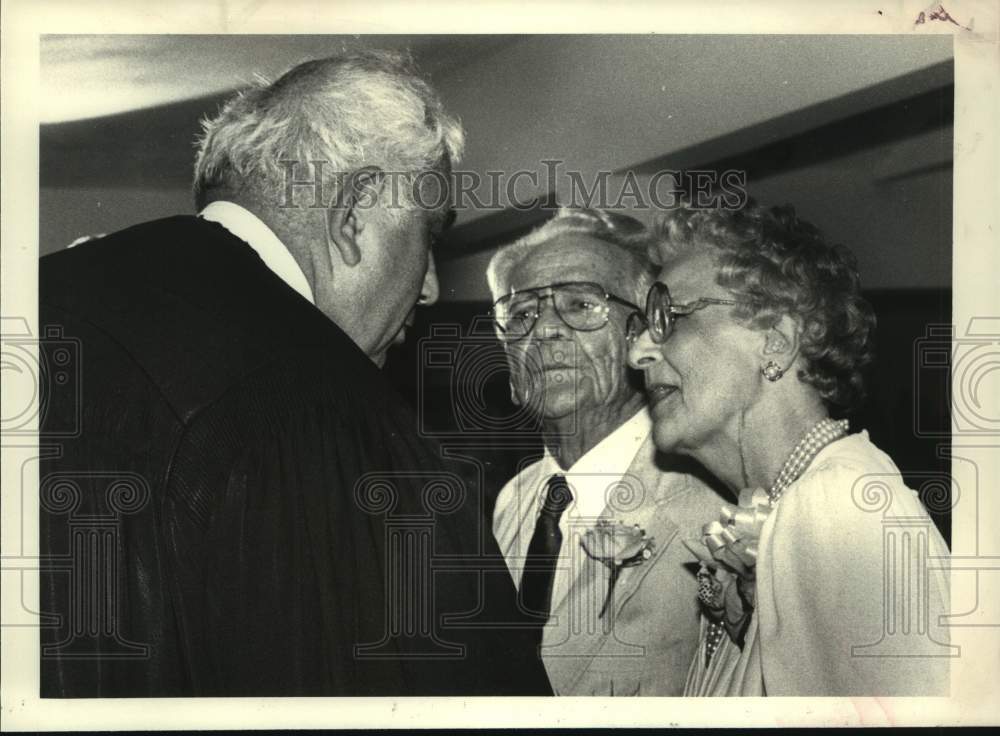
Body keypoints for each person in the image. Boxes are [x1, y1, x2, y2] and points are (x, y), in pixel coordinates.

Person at [38, 50, 551, 697]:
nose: (428, 288)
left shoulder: (39, 303)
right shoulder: (338, 420)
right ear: (356, 210)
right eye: (429, 234)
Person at [626, 201, 951, 696]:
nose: (639, 351)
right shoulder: (802, 504)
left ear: (775, 342)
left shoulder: (837, 504)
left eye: (671, 316)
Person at [486, 208, 725, 695]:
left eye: (580, 305)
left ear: (643, 340)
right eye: (522, 314)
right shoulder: (510, 502)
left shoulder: (711, 506)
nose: (545, 330)